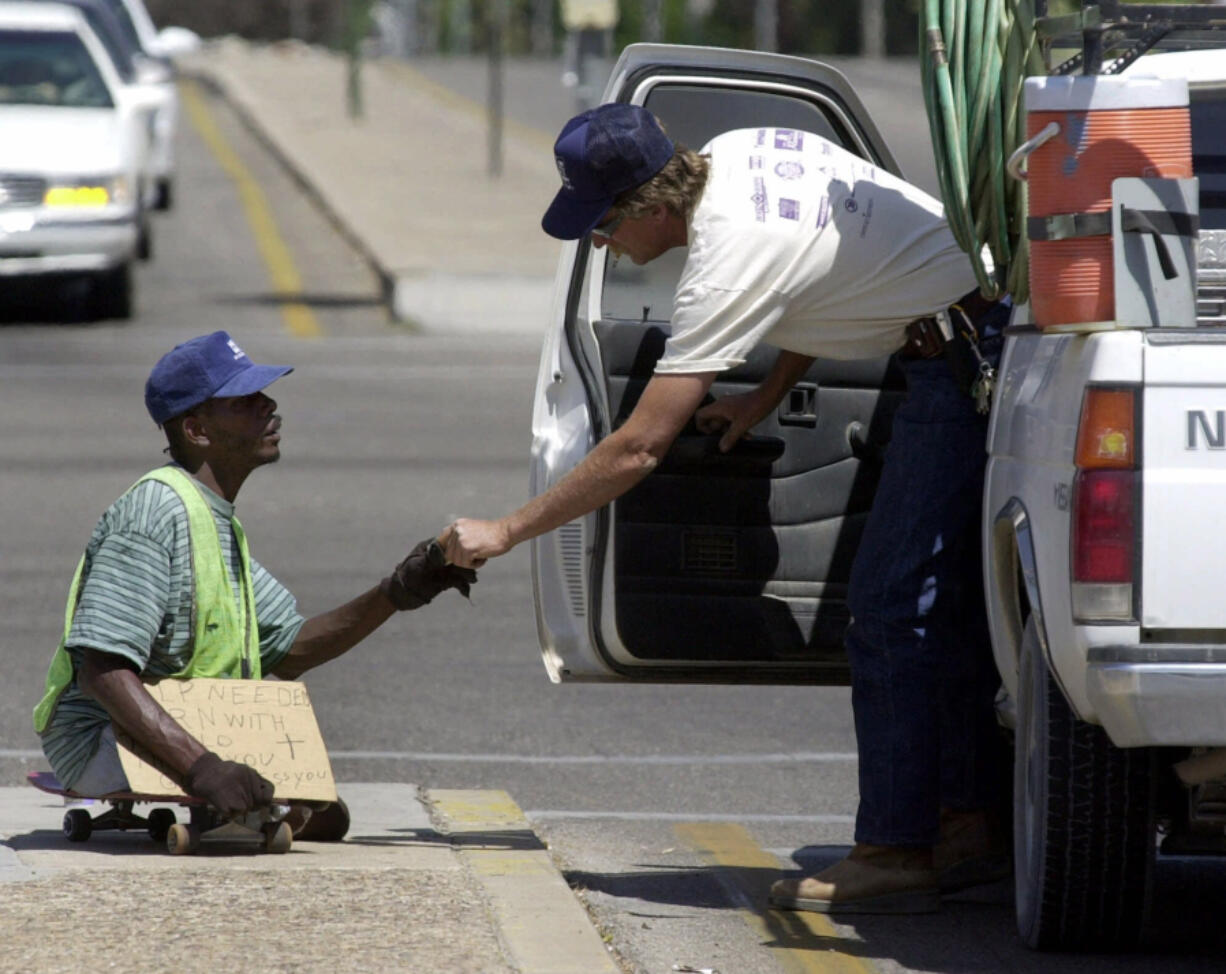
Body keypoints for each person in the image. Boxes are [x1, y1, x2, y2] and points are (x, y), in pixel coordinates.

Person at [440, 104, 1010, 913]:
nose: (600, 244)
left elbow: (640, 447)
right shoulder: (740, 150)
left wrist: (506, 530)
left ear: (652, 208)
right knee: (938, 605)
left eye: (601, 226)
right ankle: (967, 822)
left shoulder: (724, 258)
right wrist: (764, 396)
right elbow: (827, 269)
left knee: (889, 610)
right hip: (963, 334)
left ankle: (896, 852)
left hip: (960, 364)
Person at [34, 331, 475, 835]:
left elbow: (288, 650)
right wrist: (204, 769)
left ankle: (250, 801)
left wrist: (399, 590)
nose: (269, 404)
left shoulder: (214, 520)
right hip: (98, 740)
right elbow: (102, 670)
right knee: (289, 806)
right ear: (197, 429)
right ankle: (236, 799)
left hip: (186, 721)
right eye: (245, 401)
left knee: (316, 812)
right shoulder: (153, 513)